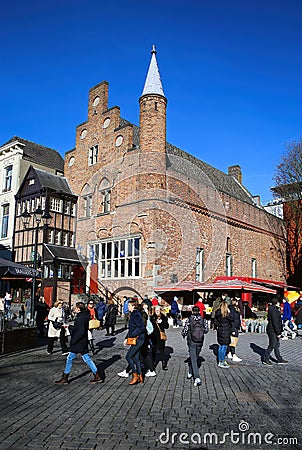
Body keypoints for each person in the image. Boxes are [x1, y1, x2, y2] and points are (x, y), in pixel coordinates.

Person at [55, 302, 101, 384]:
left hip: (78, 341)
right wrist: (70, 326)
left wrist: (73, 339)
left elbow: (80, 331)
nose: (74, 309)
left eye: (75, 308)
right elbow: (79, 328)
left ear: (78, 309)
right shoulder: (85, 315)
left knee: (70, 359)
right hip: (83, 340)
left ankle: (65, 377)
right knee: (86, 358)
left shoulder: (81, 318)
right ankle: (97, 375)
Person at [181, 305, 209, 386]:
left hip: (191, 341)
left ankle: (197, 377)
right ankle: (190, 372)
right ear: (199, 311)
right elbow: (206, 330)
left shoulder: (189, 320)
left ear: (192, 311)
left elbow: (185, 330)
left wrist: (183, 335)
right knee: (195, 357)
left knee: (193, 359)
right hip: (200, 341)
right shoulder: (203, 320)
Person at [123, 299, 146, 385]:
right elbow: (131, 328)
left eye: (129, 305)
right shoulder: (132, 314)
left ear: (133, 306)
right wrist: (127, 338)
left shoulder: (136, 314)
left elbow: (141, 327)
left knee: (128, 357)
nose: (127, 307)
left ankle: (135, 375)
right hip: (136, 338)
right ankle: (140, 376)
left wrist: (132, 335)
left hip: (138, 339)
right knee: (136, 358)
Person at [262, 298, 288, 365]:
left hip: (273, 329)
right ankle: (265, 358)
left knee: (276, 345)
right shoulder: (273, 310)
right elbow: (275, 321)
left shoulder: (274, 309)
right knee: (272, 344)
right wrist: (278, 332)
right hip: (272, 330)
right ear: (276, 303)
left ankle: (279, 359)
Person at [214, 301, 233, 368]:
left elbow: (215, 322)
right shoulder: (227, 313)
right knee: (224, 346)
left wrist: (219, 325)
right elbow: (232, 319)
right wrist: (229, 312)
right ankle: (222, 361)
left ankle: (220, 360)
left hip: (220, 330)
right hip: (226, 330)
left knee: (221, 346)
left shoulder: (218, 312)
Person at [150, 305, 169, 371]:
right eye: (156, 311)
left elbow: (167, 326)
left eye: (158, 310)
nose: (157, 312)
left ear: (160, 311)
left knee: (162, 350)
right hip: (154, 336)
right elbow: (150, 326)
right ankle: (153, 363)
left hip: (161, 336)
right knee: (153, 350)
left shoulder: (164, 317)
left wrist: (162, 322)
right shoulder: (152, 317)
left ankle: (164, 364)